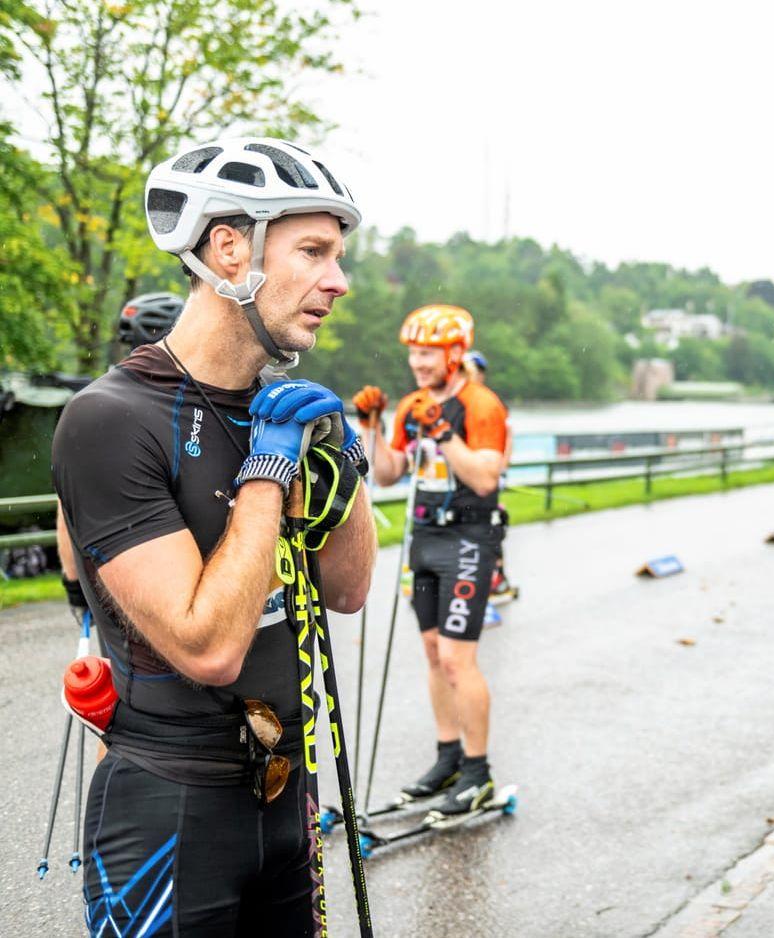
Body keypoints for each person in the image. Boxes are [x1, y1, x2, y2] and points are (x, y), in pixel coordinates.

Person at [52, 137, 376, 936]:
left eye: (339, 256)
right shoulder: (111, 420)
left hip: (286, 796)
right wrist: (268, 474)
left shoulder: (283, 401)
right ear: (230, 248)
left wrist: (346, 460)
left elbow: (349, 589)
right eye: (315, 251)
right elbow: (207, 647)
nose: (339, 280)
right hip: (169, 806)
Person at [358, 306, 510, 817]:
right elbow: (385, 474)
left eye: (427, 354)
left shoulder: (481, 404)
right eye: (413, 355)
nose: (417, 365)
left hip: (468, 540)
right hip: (423, 539)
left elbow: (486, 478)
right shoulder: (414, 403)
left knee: (455, 658)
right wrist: (372, 427)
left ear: (454, 354)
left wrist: (444, 433)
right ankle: (447, 758)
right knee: (430, 651)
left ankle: (478, 770)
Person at [58, 292, 187, 616]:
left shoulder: (103, 399)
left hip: (117, 587)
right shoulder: (189, 401)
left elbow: (66, 508)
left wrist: (75, 586)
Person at [462, 348, 518, 602]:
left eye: (477, 371)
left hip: (487, 472)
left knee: (491, 524)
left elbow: (507, 436)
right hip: (463, 476)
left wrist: (500, 470)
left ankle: (497, 578)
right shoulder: (455, 400)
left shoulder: (490, 401)